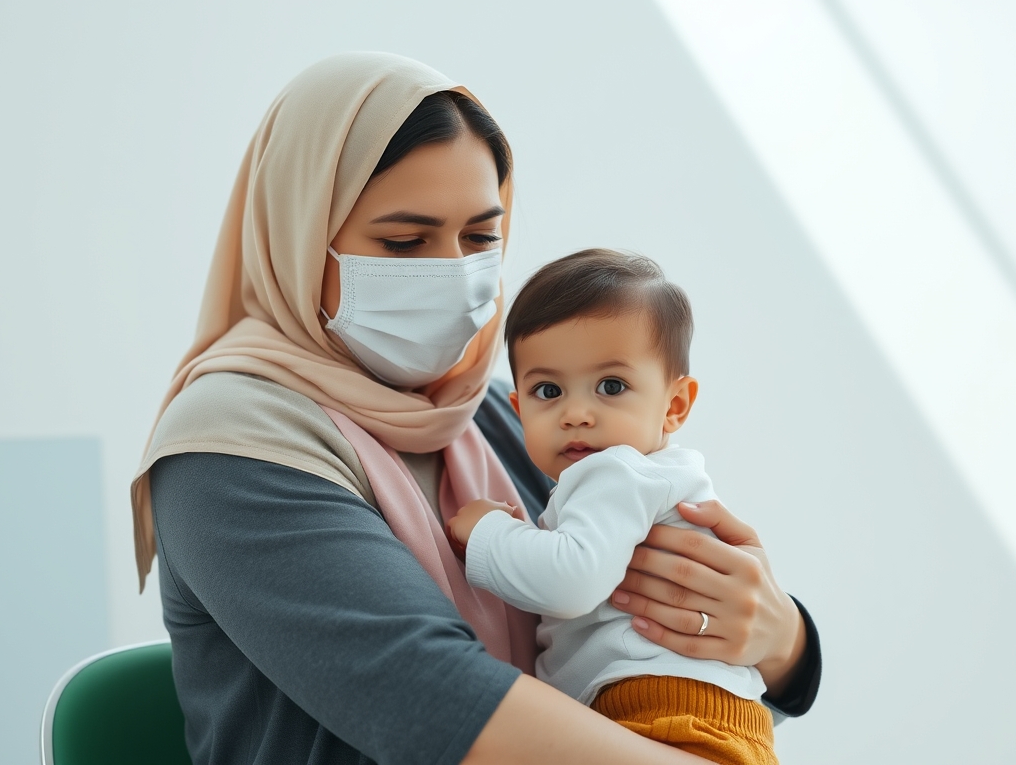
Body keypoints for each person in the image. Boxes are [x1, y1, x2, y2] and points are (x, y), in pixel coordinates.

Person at [131, 52, 820, 765]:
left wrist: (780, 640)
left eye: (481, 238)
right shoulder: (230, 449)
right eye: (405, 242)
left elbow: (632, 649)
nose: (454, 272)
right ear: (299, 235)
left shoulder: (492, 417)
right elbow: (434, 699)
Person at [447, 248, 777, 764]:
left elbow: (572, 581)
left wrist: (488, 532)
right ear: (519, 408)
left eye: (611, 386)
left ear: (674, 406)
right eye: (548, 390)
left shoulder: (616, 471)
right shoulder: (649, 476)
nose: (577, 413)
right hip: (689, 715)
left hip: (666, 714)